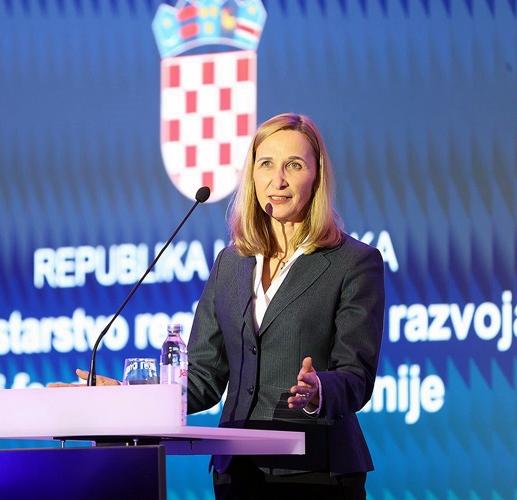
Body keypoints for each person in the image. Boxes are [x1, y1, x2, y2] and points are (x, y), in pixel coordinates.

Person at [59, 113, 384, 499]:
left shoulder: (353, 262)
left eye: (294, 165)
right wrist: (129, 396)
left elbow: (356, 376)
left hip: (315, 469)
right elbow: (202, 378)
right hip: (237, 473)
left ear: (317, 176)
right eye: (266, 164)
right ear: (252, 174)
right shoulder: (231, 263)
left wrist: (319, 390)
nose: (277, 180)